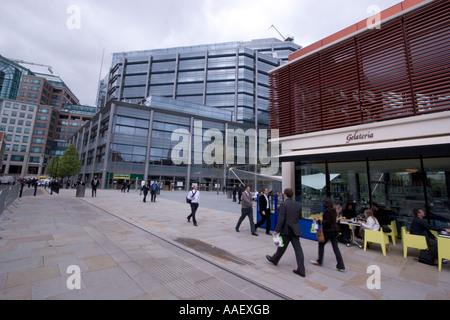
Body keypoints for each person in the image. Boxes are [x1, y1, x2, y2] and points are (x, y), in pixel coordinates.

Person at [266, 188, 306, 277]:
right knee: (298, 250)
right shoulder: (298, 205)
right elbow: (300, 217)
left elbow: (281, 219)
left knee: (281, 247)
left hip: (286, 229)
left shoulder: (284, 204)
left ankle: (274, 259)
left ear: (285, 195)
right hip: (295, 230)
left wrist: (276, 230)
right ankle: (301, 270)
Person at [311, 198, 346, 272]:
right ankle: (341, 265)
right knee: (336, 248)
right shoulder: (333, 210)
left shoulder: (327, 211)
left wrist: (319, 221)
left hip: (329, 231)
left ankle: (319, 261)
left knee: (321, 244)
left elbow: (327, 222)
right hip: (335, 230)